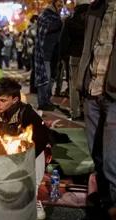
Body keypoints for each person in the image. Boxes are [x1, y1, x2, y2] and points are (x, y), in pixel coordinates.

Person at [0, 77, 51, 220]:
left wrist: (23, 156)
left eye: (3, 101)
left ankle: (34, 197)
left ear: (14, 100)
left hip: (18, 155)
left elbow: (42, 136)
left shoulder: (25, 111)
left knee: (39, 153)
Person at [76, 0, 116, 218]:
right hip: (92, 90)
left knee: (112, 157)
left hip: (113, 95)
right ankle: (105, 201)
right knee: (97, 152)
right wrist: (81, 83)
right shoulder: (96, 8)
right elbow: (88, 48)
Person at [59, 0, 89, 120]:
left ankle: (75, 112)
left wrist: (63, 56)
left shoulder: (70, 21)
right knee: (88, 85)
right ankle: (86, 111)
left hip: (75, 56)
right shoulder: (92, 20)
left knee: (74, 85)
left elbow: (64, 41)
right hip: (88, 56)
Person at [34, 0, 63, 111]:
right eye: (59, 2)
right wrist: (60, 23)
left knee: (50, 79)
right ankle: (42, 102)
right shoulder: (45, 15)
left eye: (62, 3)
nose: (61, 5)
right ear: (54, 3)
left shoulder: (57, 17)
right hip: (44, 54)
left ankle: (47, 100)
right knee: (44, 79)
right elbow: (47, 28)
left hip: (53, 54)